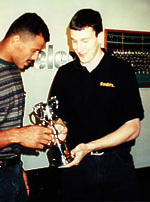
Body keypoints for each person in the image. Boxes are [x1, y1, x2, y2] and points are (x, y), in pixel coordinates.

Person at [0, 12, 66, 202]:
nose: (36, 58)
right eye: (34, 50)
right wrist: (18, 135)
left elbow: (1, 127)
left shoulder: (13, 70)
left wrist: (16, 167)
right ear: (16, 40)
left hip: (12, 173)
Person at [49, 9, 144, 201]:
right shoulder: (65, 74)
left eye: (85, 41)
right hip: (77, 165)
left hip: (116, 163)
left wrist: (89, 147)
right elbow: (58, 116)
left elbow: (133, 128)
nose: (78, 48)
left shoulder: (121, 71)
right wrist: (59, 127)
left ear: (100, 36)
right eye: (74, 41)